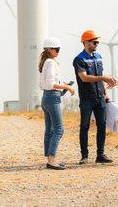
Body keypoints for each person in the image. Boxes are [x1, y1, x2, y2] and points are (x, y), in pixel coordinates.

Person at [73, 30, 116, 165]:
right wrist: (103, 78)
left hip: (100, 97)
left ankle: (100, 155)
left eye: (97, 42)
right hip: (86, 98)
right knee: (84, 126)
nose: (97, 44)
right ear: (86, 43)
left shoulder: (98, 57)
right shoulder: (79, 59)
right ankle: (84, 156)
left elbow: (101, 76)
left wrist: (106, 93)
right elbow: (84, 78)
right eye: (94, 42)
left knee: (102, 126)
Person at [39, 37, 75, 170]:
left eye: (59, 49)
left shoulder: (45, 63)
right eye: (56, 49)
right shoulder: (51, 63)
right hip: (52, 98)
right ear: (49, 49)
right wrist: (67, 87)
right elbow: (49, 84)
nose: (58, 51)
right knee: (59, 130)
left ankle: (50, 160)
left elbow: (44, 84)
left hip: (46, 97)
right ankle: (52, 161)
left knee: (50, 130)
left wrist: (62, 84)